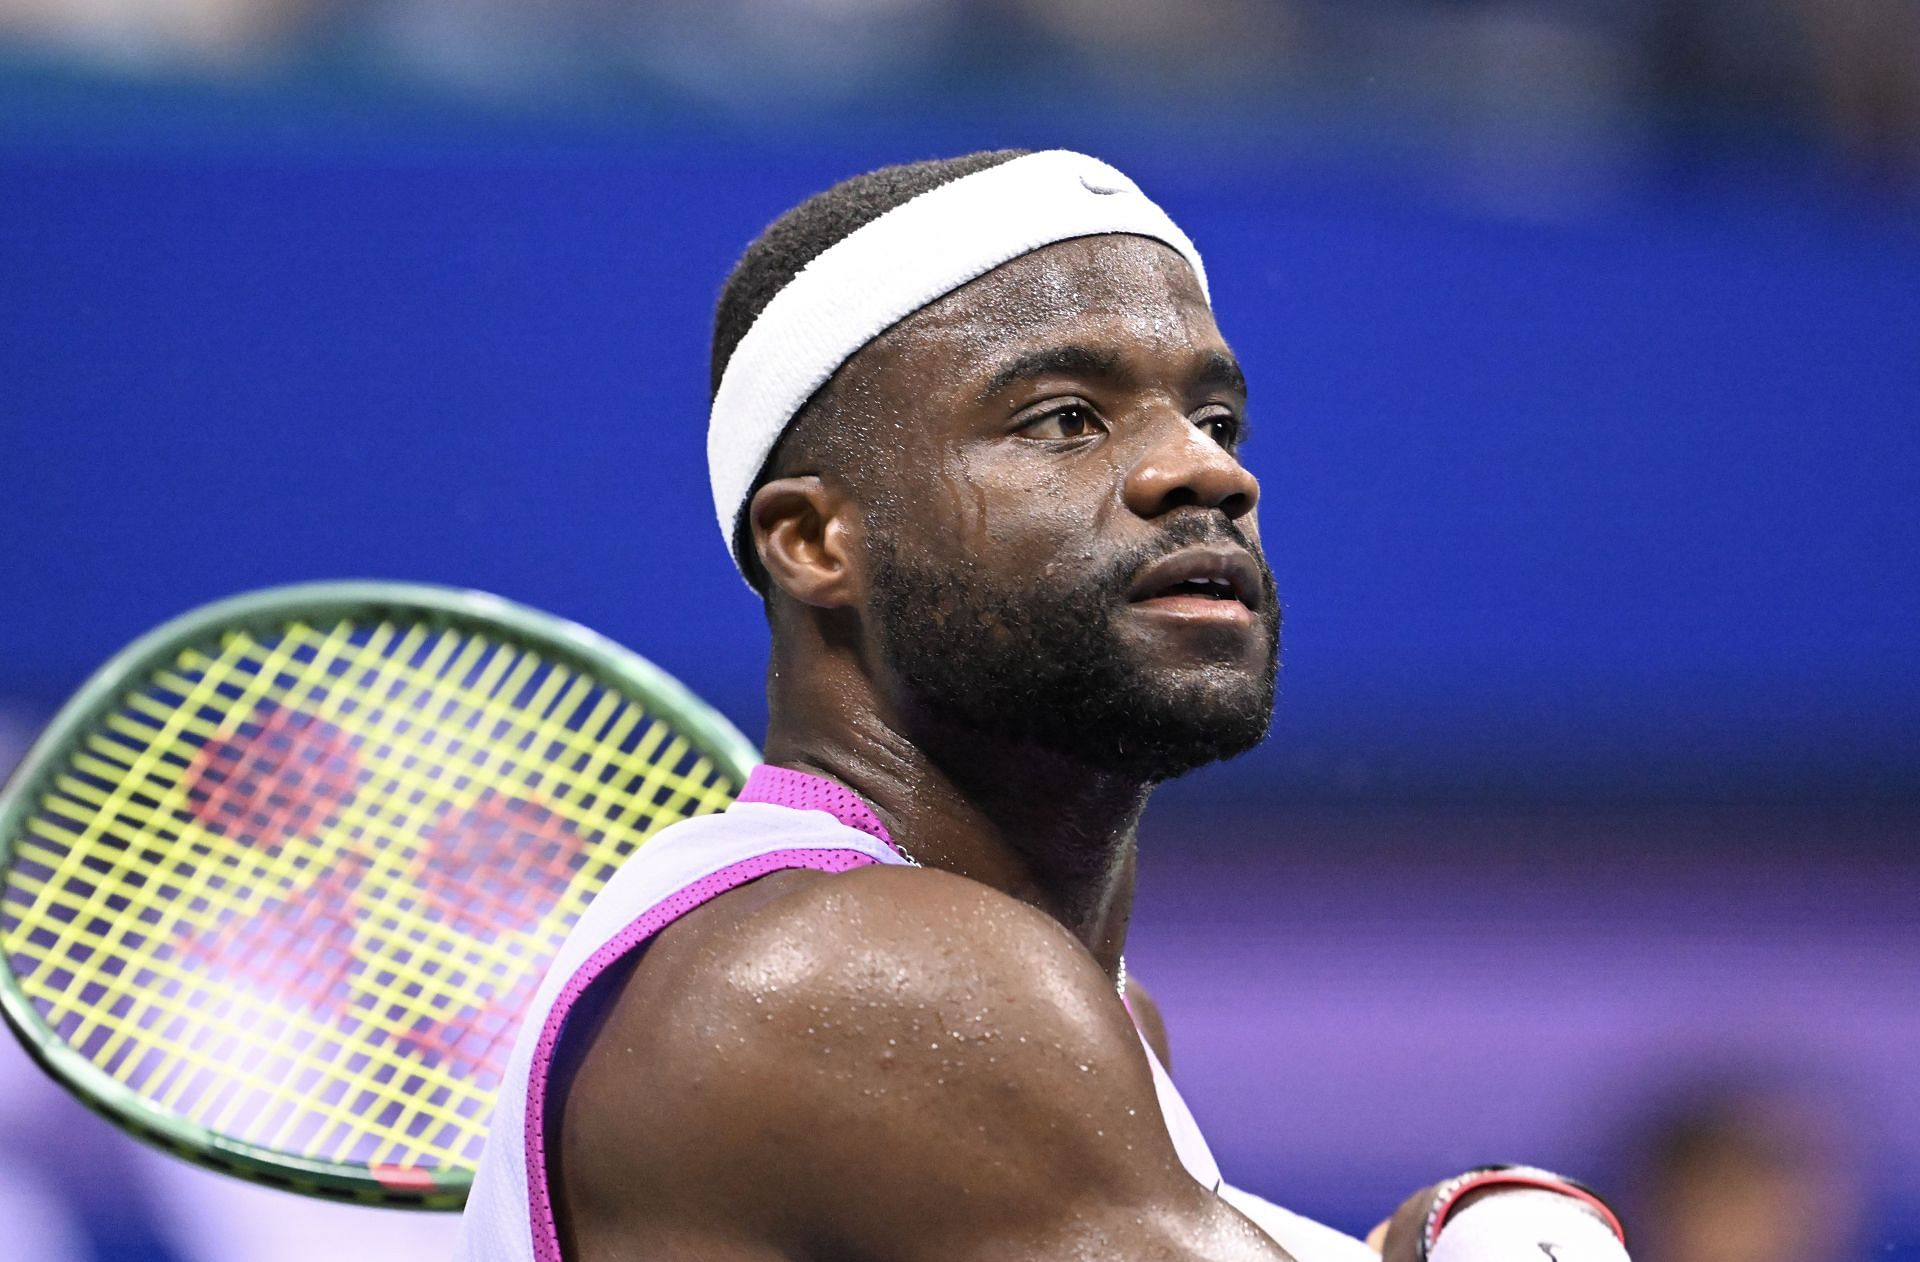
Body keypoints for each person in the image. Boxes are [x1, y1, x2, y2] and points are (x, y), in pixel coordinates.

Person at [456, 149, 1632, 1262]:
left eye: (1216, 420)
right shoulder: (857, 974)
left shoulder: (1068, 1016)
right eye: (1066, 417)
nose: (1209, 471)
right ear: (815, 539)